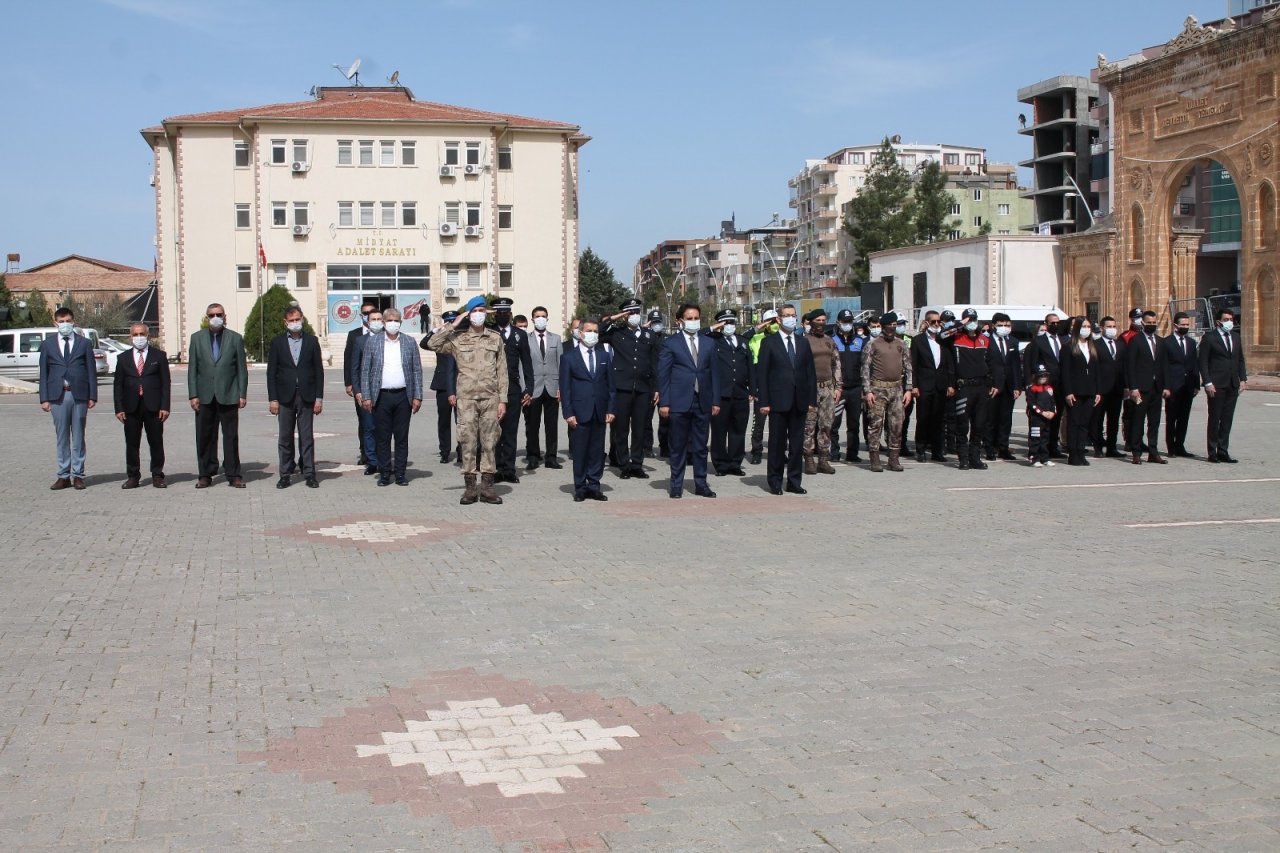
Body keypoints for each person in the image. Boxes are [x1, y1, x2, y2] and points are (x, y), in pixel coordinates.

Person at [426, 298, 507, 503]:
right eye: (474, 311)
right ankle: (470, 488)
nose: (479, 314)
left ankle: (488, 487)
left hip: (490, 398)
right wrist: (453, 324)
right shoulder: (457, 338)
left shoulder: (495, 338)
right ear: (468, 314)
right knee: (468, 442)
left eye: (482, 310)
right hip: (467, 399)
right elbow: (431, 343)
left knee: (490, 442)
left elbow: (502, 371)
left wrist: (502, 400)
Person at [657, 304, 721, 498]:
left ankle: (701, 484)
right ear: (680, 321)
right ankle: (676, 485)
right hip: (679, 402)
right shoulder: (671, 343)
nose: (694, 321)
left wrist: (715, 401)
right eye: (689, 318)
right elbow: (664, 374)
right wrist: (665, 402)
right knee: (678, 446)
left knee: (701, 446)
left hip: (702, 401)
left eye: (696, 318)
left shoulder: (709, 343)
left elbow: (715, 374)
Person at [355, 307, 423, 487]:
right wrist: (367, 396)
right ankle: (385, 473)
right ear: (384, 322)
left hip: (403, 396)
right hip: (381, 396)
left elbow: (417, 369)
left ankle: (400, 473)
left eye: (396, 320)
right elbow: (365, 370)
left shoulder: (409, 342)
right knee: (382, 437)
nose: (393, 324)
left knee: (401, 437)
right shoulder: (373, 342)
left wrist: (418, 395)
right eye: (390, 320)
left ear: (400, 322)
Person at [756, 305, 818, 494]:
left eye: (793, 315)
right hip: (777, 401)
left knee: (797, 445)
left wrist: (811, 400)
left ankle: (794, 481)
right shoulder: (769, 343)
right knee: (776, 443)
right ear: (779, 319)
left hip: (799, 400)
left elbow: (810, 373)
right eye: (787, 316)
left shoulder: (803, 342)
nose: (791, 319)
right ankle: (775, 481)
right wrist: (764, 402)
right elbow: (763, 375)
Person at [38, 307, 99, 490]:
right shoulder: (48, 344)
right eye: (62, 321)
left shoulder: (84, 343)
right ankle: (63, 475)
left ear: (74, 322)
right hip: (57, 395)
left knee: (79, 435)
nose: (65, 324)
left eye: (68, 321)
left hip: (79, 394)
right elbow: (43, 372)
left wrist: (92, 395)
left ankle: (78, 474)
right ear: (55, 323)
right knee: (62, 436)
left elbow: (91, 370)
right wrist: (44, 398)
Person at [188, 302, 248, 489]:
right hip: (204, 395)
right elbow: (192, 369)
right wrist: (193, 394)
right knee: (204, 436)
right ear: (207, 318)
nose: (216, 318)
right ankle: (205, 474)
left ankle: (233, 474)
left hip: (228, 394)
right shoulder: (196, 338)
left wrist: (242, 393)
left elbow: (241, 369)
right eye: (212, 315)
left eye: (219, 314)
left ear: (225, 316)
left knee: (230, 436)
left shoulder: (235, 338)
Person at [267, 306, 324, 489]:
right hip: (285, 397)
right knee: (285, 437)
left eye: (297, 319)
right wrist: (273, 399)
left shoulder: (312, 341)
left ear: (303, 319)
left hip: (306, 396)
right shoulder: (277, 343)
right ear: (285, 322)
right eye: (291, 320)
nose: (295, 323)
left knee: (306, 437)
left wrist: (319, 398)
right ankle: (285, 473)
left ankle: (309, 473)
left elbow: (318, 371)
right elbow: (271, 373)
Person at [560, 318, 615, 501]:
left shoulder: (604, 356)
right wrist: (568, 413)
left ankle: (594, 485)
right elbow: (565, 388)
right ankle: (580, 487)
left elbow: (610, 386)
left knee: (597, 451)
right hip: (579, 411)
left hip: (599, 410)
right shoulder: (568, 357)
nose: (593, 334)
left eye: (596, 331)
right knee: (580, 450)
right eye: (589, 331)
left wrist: (611, 409)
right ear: (581, 333)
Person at [601, 298, 658, 479]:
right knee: (621, 429)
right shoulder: (617, 333)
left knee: (640, 428)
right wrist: (615, 317)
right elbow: (598, 330)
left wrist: (656, 388)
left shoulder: (649, 335)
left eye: (636, 312)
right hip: (622, 387)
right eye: (630, 312)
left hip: (642, 388)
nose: (634, 316)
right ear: (625, 315)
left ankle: (637, 464)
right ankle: (624, 464)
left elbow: (655, 363)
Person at [113, 322, 170, 489]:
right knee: (132, 443)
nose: (139, 337)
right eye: (135, 334)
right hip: (131, 406)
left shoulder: (159, 356)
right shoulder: (123, 358)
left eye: (142, 334)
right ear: (130, 337)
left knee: (156, 442)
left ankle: (157, 475)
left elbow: (165, 382)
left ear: (148, 336)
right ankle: (133, 476)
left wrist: (165, 406)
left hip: (153, 406)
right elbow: (118, 385)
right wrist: (119, 408)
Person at [946, 308, 1003, 471]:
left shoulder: (985, 340)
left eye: (973, 319)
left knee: (979, 425)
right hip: (964, 387)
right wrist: (961, 324)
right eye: (968, 319)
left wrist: (996, 384)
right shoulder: (955, 338)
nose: (971, 322)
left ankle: (975, 457)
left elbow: (995, 364)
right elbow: (943, 334)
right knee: (962, 425)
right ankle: (963, 458)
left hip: (982, 387)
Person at [860, 312, 913, 472]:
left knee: (896, 425)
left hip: (896, 389)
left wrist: (909, 389)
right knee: (875, 424)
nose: (892, 328)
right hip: (877, 389)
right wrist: (867, 391)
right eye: (889, 326)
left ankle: (893, 459)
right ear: (883, 326)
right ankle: (874, 459)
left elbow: (908, 367)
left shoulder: (901, 344)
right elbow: (865, 368)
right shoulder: (873, 344)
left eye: (894, 326)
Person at [491, 297, 533, 484]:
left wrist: (529, 387)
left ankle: (508, 468)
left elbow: (527, 362)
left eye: (504, 312)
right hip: (492, 389)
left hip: (513, 389)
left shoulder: (519, 335)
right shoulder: (488, 332)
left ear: (510, 314)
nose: (501, 315)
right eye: (498, 312)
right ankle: (495, 468)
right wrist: (483, 314)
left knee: (510, 430)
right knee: (494, 430)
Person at [1199, 307, 1247, 463]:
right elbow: (1203, 362)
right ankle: (1212, 452)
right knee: (1215, 418)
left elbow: (1240, 359)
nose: (1229, 322)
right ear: (1219, 321)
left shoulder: (1235, 337)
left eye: (1231, 319)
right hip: (1216, 384)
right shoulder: (1209, 338)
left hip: (1232, 383)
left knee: (1227, 419)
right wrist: (1207, 382)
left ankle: (1223, 450)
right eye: (1226, 320)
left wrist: (1243, 379)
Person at [707, 309, 751, 476]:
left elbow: (750, 367)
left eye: (732, 322)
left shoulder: (742, 341)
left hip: (740, 393)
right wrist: (714, 328)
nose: (729, 326)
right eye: (725, 323)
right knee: (719, 431)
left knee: (738, 431)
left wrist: (753, 388)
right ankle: (720, 465)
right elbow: (700, 332)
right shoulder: (713, 340)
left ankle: (735, 463)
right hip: (720, 394)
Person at [1021, 311, 1067, 459]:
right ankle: (1035, 450)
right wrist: (1030, 384)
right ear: (1046, 324)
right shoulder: (1038, 341)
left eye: (1057, 323)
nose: (1055, 325)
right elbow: (1030, 364)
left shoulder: (1064, 340)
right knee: (1039, 418)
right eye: (1052, 323)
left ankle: (1052, 447)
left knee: (1056, 416)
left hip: (1060, 385)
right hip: (1042, 387)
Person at [1123, 309, 1166, 465]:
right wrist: (1133, 387)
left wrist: (1165, 386)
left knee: (1154, 421)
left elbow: (1163, 366)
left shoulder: (1161, 342)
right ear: (1143, 323)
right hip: (1140, 389)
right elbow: (1130, 366)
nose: (1152, 325)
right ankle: (1136, 451)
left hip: (1156, 388)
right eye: (1149, 323)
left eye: (1154, 323)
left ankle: (1153, 452)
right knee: (1138, 419)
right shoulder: (1136, 341)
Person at [801, 308, 842, 475]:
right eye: (818, 320)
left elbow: (836, 364)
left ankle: (823, 459)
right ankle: (809, 458)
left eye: (824, 320)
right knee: (809, 425)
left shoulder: (829, 341)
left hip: (827, 388)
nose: (821, 324)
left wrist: (838, 386)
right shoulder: (803, 341)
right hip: (810, 389)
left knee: (826, 424)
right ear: (810, 322)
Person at [1059, 316, 1100, 467]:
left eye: (1089, 327)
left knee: (1084, 423)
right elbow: (1065, 372)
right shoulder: (1068, 347)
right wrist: (1068, 392)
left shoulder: (1092, 346)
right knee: (1074, 422)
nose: (1087, 330)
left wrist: (1097, 391)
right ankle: (1073, 453)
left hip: (1089, 391)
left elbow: (1096, 371)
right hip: (1075, 391)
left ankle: (1081, 451)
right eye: (1084, 327)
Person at [524, 306, 562, 471]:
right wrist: (526, 388)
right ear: (532, 319)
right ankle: (533, 456)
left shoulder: (556, 339)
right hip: (534, 388)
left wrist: (561, 387)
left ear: (547, 319)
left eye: (543, 316)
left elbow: (561, 364)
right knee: (533, 424)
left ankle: (551, 457)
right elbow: (523, 365)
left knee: (551, 425)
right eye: (537, 316)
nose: (540, 319)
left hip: (552, 387)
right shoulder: (525, 339)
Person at [983, 312, 1022, 462]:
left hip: (1009, 385)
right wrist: (991, 383)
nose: (1004, 327)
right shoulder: (986, 340)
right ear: (994, 325)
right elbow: (985, 364)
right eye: (1001, 325)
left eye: (1007, 325)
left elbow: (1016, 365)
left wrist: (1017, 385)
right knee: (991, 418)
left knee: (1006, 418)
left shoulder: (1012, 341)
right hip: (993, 386)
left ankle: (1003, 447)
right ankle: (989, 447)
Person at [1161, 311, 1200, 458]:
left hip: (1188, 385)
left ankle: (1180, 446)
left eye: (1187, 324)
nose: (1185, 327)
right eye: (1182, 324)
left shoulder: (1191, 343)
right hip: (1173, 386)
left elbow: (1194, 364)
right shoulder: (1166, 342)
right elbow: (1164, 366)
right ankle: (1171, 447)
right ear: (1175, 325)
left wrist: (1196, 384)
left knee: (1184, 418)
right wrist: (1166, 386)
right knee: (1171, 417)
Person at [910, 309, 947, 462]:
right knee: (924, 418)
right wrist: (914, 385)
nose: (936, 324)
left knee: (939, 419)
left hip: (940, 385)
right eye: (933, 322)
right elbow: (914, 365)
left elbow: (948, 363)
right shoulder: (918, 340)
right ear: (926, 323)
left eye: (939, 322)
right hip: (924, 385)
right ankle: (921, 449)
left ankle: (937, 451)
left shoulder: (943, 340)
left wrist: (950, 384)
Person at [343, 302, 378, 466]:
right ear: (361, 315)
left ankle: (377, 453)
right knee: (364, 421)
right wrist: (349, 383)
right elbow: (349, 360)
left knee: (378, 422)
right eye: (365, 313)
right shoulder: (354, 335)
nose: (368, 315)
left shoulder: (383, 334)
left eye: (371, 312)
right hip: (361, 387)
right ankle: (364, 452)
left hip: (379, 388)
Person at [422, 310, 458, 465]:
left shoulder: (462, 337)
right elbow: (424, 344)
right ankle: (444, 451)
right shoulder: (440, 340)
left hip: (461, 384)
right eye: (448, 321)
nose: (451, 324)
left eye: (453, 321)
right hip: (443, 385)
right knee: (443, 421)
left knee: (462, 421)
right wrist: (437, 330)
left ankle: (463, 451)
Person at [830, 309, 865, 464]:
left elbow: (865, 366)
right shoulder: (831, 341)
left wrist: (864, 388)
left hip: (856, 389)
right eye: (844, 322)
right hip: (839, 389)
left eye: (849, 322)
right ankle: (834, 452)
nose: (847, 324)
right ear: (838, 323)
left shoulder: (859, 341)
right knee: (834, 423)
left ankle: (852, 453)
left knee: (854, 424)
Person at [1090, 316, 1127, 459]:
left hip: (1116, 389)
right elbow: (1093, 368)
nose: (1112, 329)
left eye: (1113, 326)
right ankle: (1098, 446)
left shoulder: (1121, 345)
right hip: (1101, 389)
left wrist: (1126, 386)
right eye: (1108, 326)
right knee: (1098, 419)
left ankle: (1112, 447)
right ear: (1102, 328)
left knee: (1113, 419)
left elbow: (1125, 367)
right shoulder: (1095, 344)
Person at [746, 308, 779, 465]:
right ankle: (756, 451)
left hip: (779, 387)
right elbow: (753, 367)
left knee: (778, 425)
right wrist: (754, 389)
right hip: (762, 386)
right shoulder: (756, 339)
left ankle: (777, 452)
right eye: (770, 322)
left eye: (776, 321)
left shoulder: (784, 338)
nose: (774, 324)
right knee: (759, 423)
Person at [641, 309, 665, 458]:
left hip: (664, 384)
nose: (657, 325)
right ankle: (646, 447)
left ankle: (666, 447)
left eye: (658, 322)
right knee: (646, 420)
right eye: (653, 322)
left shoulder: (668, 339)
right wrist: (643, 329)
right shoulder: (644, 338)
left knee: (666, 419)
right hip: (648, 384)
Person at [1025, 364, 1057, 468]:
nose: (1043, 377)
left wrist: (1052, 412)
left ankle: (1045, 458)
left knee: (1045, 438)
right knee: (1035, 438)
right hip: (1036, 418)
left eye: (1045, 375)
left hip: (1047, 418)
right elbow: (1031, 404)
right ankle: (1034, 458)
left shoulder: (1049, 388)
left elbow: (1053, 402)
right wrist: (1042, 412)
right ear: (1035, 376)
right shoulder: (1031, 388)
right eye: (1040, 375)